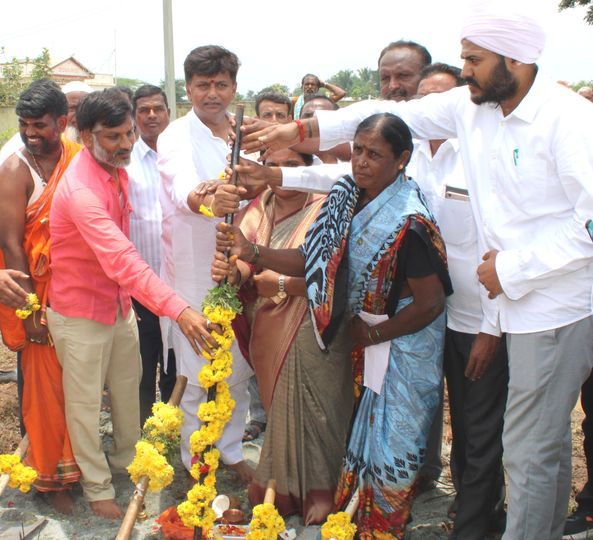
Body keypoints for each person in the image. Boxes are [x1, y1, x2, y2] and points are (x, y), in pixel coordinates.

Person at [244, 3, 593, 538]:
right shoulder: (472, 109)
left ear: (516, 58)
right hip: (506, 302)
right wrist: (297, 128)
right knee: (531, 447)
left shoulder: (568, 119)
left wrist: (516, 268)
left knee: (528, 449)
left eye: (474, 59)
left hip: (552, 303)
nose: (466, 69)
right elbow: (382, 114)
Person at [219, 113, 451, 538]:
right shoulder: (346, 195)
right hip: (362, 334)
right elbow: (314, 258)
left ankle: (383, 528)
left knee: (392, 445)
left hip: (403, 344)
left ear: (402, 159)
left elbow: (431, 303)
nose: (361, 162)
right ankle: (354, 519)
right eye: (358, 150)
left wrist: (376, 334)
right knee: (356, 433)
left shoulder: (409, 220)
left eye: (374, 154)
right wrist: (252, 250)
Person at [47, 87, 218, 519]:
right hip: (79, 313)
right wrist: (180, 309)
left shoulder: (115, 170)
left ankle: (127, 464)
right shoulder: (82, 190)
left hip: (118, 306)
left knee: (127, 393)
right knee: (85, 405)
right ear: (85, 136)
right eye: (112, 137)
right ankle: (98, 488)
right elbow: (122, 258)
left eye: (128, 134)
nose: (125, 144)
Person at [214, 148, 350, 524]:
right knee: (282, 412)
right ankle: (283, 489)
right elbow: (243, 259)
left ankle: (322, 491)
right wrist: (234, 274)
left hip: (317, 327)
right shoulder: (259, 206)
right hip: (269, 328)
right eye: (274, 164)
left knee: (320, 411)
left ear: (309, 169)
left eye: (293, 165)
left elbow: (336, 270)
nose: (283, 172)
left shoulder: (328, 205)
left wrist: (285, 284)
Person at [411, 63, 509, 539]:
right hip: (429, 319)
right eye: (422, 99)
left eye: (442, 99)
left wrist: (493, 325)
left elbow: (498, 246)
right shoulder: (407, 154)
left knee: (479, 427)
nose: (432, 109)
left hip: (477, 319)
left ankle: (477, 522)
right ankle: (470, 505)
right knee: (444, 417)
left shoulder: (479, 156)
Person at [157, 45, 254, 482]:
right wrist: (209, 198)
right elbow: (182, 188)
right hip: (196, 269)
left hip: (244, 264)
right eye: (202, 85)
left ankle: (230, 450)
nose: (212, 94)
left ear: (234, 86)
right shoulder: (177, 134)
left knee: (238, 364)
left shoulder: (244, 131)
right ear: (188, 88)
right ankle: (195, 456)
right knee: (199, 369)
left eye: (221, 84)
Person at [0, 80, 82, 513]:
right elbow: (13, 244)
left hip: (79, 294)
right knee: (44, 392)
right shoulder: (16, 168)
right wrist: (31, 312)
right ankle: (51, 481)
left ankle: (78, 469)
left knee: (80, 387)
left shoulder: (79, 159)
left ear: (63, 122)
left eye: (40, 125)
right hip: (38, 298)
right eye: (24, 124)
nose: (31, 132)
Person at [127, 84, 177, 425]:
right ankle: (143, 436)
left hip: (177, 286)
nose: (151, 116)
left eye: (157, 108)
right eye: (143, 110)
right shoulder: (124, 161)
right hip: (139, 288)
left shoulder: (182, 157)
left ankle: (173, 433)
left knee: (176, 365)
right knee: (141, 368)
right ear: (134, 116)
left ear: (169, 113)